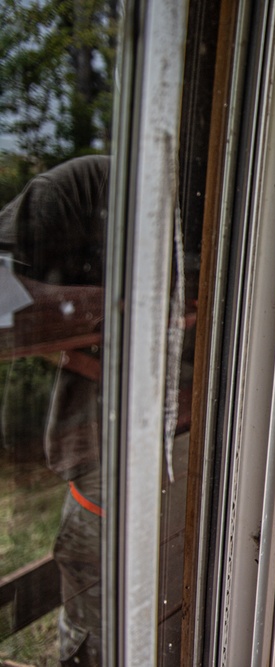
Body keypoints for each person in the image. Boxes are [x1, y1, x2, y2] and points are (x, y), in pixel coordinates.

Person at [1, 155, 110, 666]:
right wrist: (117, 311)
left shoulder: (257, 210)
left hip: (201, 492)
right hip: (106, 498)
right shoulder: (84, 189)